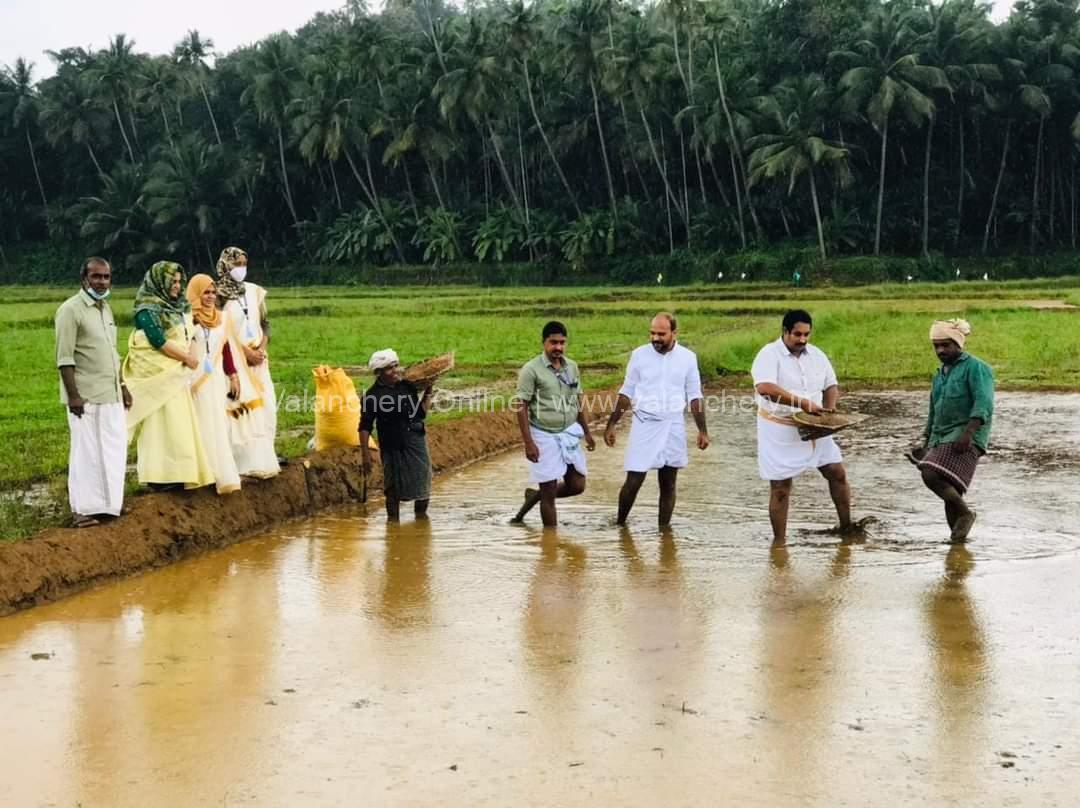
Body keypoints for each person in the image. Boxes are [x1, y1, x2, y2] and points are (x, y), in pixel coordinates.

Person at [751, 309, 853, 547]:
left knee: (836, 473)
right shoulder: (769, 354)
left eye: (806, 334)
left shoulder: (816, 355)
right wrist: (802, 403)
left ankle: (847, 528)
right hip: (780, 428)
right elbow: (765, 388)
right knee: (780, 488)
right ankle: (779, 544)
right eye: (797, 334)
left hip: (816, 426)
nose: (802, 339)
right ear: (785, 331)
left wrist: (828, 412)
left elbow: (831, 385)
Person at [604, 313, 709, 527]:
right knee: (634, 480)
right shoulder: (639, 355)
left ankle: (664, 532)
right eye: (652, 333)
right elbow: (627, 391)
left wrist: (703, 430)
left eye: (661, 334)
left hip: (674, 425)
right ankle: (619, 525)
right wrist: (611, 424)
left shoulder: (687, 357)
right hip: (645, 423)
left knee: (669, 483)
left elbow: (694, 395)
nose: (655, 338)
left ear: (674, 333)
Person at [123, 261, 216, 490]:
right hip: (159, 373)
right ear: (158, 281)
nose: (176, 286)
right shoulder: (147, 309)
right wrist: (186, 359)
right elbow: (157, 341)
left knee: (178, 424)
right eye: (172, 281)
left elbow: (190, 334)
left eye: (178, 281)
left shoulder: (180, 306)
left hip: (177, 373)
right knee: (158, 426)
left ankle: (180, 473)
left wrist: (190, 356)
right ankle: (158, 477)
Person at [54, 257, 132, 527]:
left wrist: (122, 385)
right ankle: (82, 509)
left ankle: (109, 506)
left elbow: (112, 352)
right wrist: (74, 396)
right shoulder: (70, 310)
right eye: (96, 276)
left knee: (112, 449)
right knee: (85, 452)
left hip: (110, 393)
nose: (101, 282)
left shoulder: (105, 309)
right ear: (84, 278)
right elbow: (64, 359)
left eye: (106, 277)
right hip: (86, 396)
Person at [908, 319, 993, 543]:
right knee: (951, 489)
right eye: (936, 346)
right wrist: (926, 440)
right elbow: (933, 410)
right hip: (941, 435)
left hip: (966, 434)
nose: (940, 350)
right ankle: (957, 545)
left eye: (946, 345)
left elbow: (984, 403)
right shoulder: (939, 374)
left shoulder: (977, 367)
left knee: (930, 472)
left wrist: (968, 433)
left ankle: (965, 513)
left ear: (958, 344)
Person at [511, 321, 596, 526]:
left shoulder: (572, 367)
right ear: (544, 343)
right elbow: (520, 405)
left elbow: (578, 401)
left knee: (577, 485)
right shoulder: (531, 370)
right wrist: (528, 443)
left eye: (562, 343)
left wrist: (587, 432)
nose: (558, 347)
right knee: (548, 491)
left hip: (568, 432)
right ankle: (550, 546)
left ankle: (533, 496)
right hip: (543, 434)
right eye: (553, 342)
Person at [216, 246, 279, 478]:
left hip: (259, 359)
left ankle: (267, 455)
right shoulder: (217, 295)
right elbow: (219, 331)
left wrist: (261, 348)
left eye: (244, 264)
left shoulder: (253, 291)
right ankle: (242, 460)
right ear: (225, 265)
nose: (240, 269)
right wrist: (244, 353)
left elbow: (265, 324)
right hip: (235, 360)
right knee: (242, 409)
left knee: (268, 406)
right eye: (236, 264)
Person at [185, 274, 242, 495]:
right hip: (195, 378)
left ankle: (219, 472)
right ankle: (201, 472)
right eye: (205, 292)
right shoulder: (188, 318)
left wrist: (233, 375)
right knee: (199, 423)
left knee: (217, 422)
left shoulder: (221, 318)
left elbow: (225, 349)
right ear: (196, 294)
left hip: (216, 378)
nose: (209, 296)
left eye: (212, 292)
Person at [360, 349, 433, 521]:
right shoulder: (372, 396)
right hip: (393, 445)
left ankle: (421, 520)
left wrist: (429, 392)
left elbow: (420, 414)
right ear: (378, 373)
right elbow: (365, 426)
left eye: (396, 366)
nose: (395, 371)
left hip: (415, 440)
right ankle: (393, 523)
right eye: (389, 368)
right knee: (392, 489)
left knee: (423, 483)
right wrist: (365, 454)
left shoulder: (406, 386)